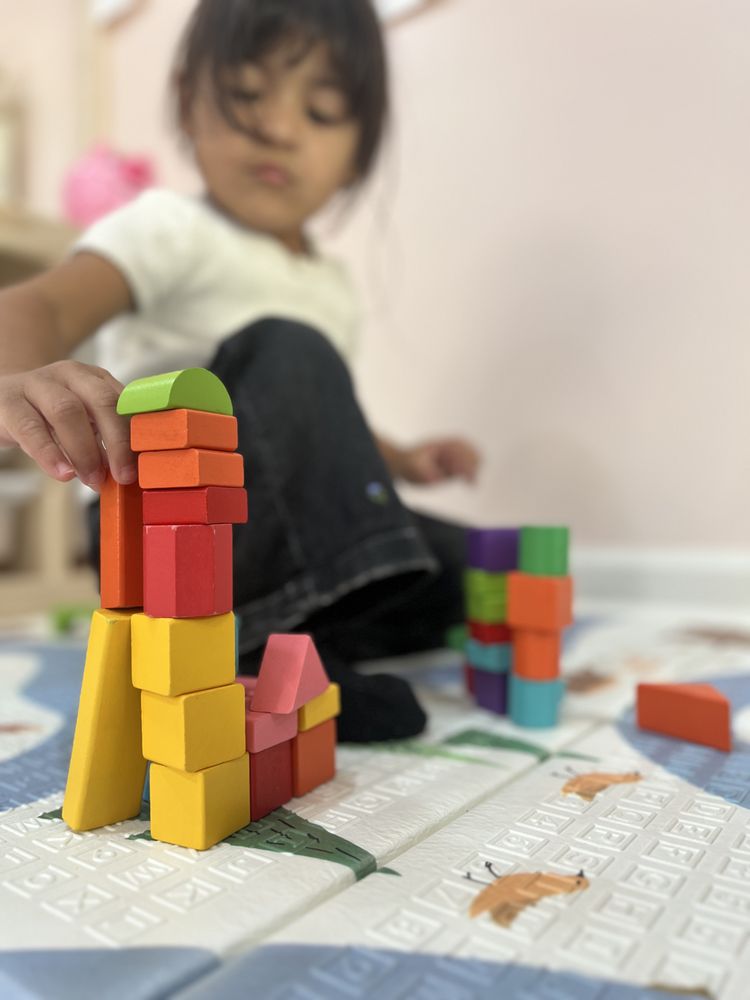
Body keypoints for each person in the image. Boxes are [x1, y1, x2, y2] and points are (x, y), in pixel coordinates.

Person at [0, 0, 480, 741]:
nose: (280, 127)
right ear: (189, 103)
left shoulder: (331, 284)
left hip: (280, 527)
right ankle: (252, 649)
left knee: (470, 564)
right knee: (287, 345)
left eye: (321, 111)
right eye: (249, 94)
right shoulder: (169, 228)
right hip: (170, 529)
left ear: (358, 151)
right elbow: (40, 305)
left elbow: (314, 425)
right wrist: (23, 379)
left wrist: (405, 459)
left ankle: (308, 625)